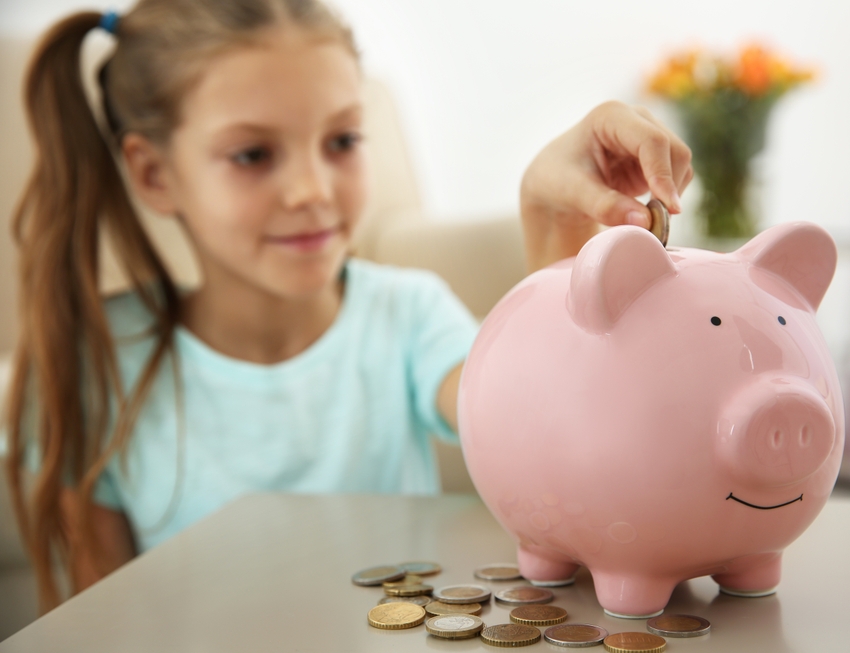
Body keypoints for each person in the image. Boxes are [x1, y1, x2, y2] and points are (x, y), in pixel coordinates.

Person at [3, 0, 692, 610]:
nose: (312, 189)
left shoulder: (408, 316)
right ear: (155, 173)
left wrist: (552, 231)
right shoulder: (99, 360)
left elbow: (539, 422)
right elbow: (103, 613)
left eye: (341, 141)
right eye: (253, 154)